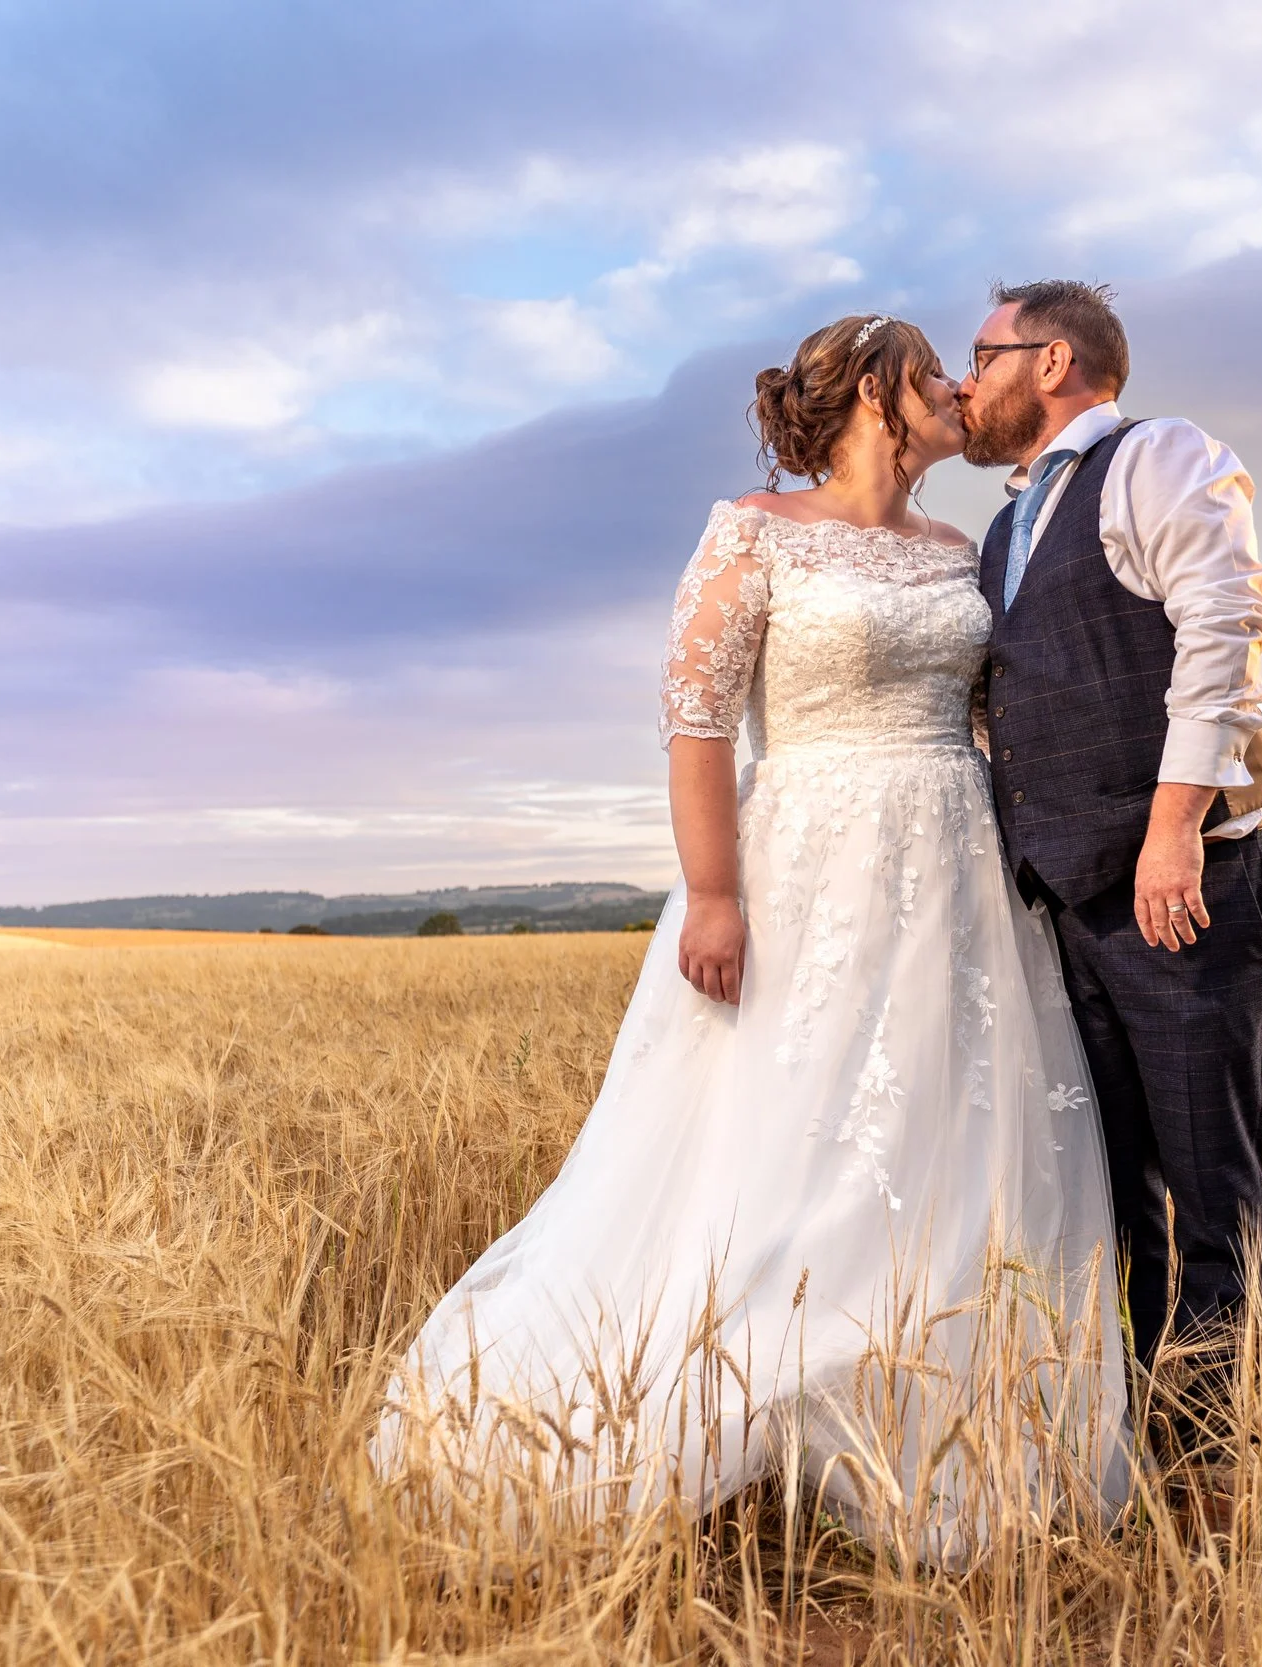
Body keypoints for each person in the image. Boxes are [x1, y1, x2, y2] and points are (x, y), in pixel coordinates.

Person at [374, 314, 1130, 1557]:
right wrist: (713, 892)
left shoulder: (961, 549)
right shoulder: (753, 532)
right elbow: (697, 722)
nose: (955, 383)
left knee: (944, 1127)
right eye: (932, 365)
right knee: (783, 1125)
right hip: (802, 864)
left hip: (954, 868)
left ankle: (917, 1415)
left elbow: (1001, 714)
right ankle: (734, 1393)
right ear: (877, 389)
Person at [957, 280, 1262, 1465]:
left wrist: (1169, 829)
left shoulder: (1160, 456)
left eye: (981, 355)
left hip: (1179, 887)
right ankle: (1133, 1445)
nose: (963, 381)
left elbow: (1223, 623)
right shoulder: (1004, 528)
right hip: (1069, 900)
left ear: (1050, 363)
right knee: (1114, 1198)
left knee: (1208, 1191)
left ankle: (1212, 1462)